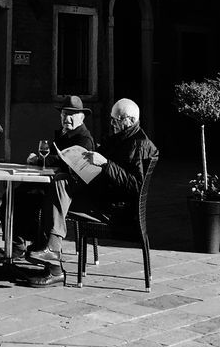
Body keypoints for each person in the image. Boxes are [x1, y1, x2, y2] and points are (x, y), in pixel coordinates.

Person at [24, 97, 158, 285]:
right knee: (58, 187)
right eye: (111, 119)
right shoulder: (119, 138)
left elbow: (135, 186)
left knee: (57, 196)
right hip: (101, 196)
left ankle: (52, 263)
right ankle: (51, 257)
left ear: (130, 120)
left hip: (115, 209)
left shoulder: (141, 145)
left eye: (116, 120)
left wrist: (104, 162)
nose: (112, 124)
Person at [12, 95, 95, 259]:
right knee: (18, 194)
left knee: (25, 197)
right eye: (64, 114)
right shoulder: (64, 134)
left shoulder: (83, 139)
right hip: (53, 184)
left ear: (82, 117)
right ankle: (22, 243)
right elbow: (53, 156)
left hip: (71, 193)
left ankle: (27, 244)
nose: (67, 118)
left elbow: (66, 161)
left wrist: (39, 159)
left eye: (72, 114)